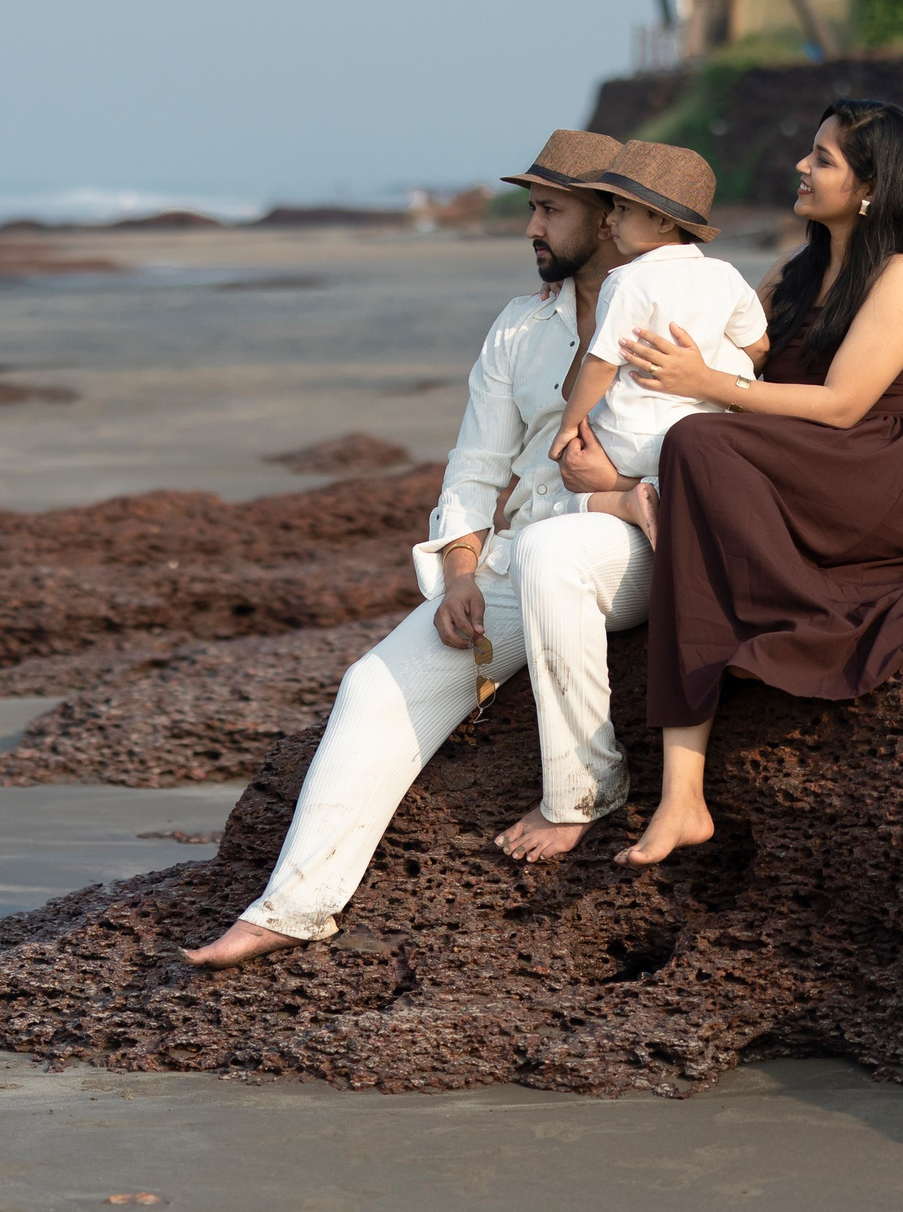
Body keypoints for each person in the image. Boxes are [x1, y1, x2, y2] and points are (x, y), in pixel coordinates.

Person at [182, 129, 659, 968]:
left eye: (550, 210)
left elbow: (720, 439)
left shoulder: (678, 312)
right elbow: (474, 467)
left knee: (555, 554)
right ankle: (294, 906)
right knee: (374, 684)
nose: (531, 227)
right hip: (529, 555)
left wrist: (622, 488)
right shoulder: (519, 326)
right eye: (532, 209)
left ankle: (584, 788)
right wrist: (461, 571)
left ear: (609, 216)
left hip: (636, 552)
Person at [569, 98, 903, 867]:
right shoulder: (794, 272)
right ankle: (683, 796)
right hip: (802, 456)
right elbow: (724, 352)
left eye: (823, 158)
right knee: (691, 452)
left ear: (871, 187)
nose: (801, 167)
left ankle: (781, 600)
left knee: (698, 443)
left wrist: (705, 384)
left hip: (882, 468)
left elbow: (841, 405)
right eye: (810, 153)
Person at [546, 139, 768, 550]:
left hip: (630, 440)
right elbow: (758, 348)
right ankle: (655, 491)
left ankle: (628, 497)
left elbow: (602, 363)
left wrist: (568, 425)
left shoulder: (627, 280)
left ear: (663, 221)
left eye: (623, 209)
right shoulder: (725, 275)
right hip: (702, 439)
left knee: (566, 496)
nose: (611, 218)